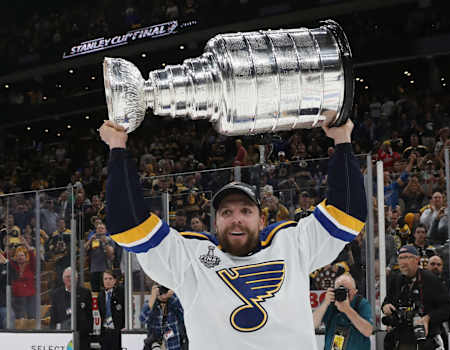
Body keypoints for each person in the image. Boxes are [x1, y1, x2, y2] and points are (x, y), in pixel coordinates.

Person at [99, 118, 366, 349]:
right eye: (226, 213)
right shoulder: (191, 255)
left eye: (245, 211)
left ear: (262, 219)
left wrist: (342, 140)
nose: (236, 220)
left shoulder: (291, 242)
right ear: (215, 223)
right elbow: (128, 226)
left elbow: (349, 213)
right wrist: (118, 148)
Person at [382, 245, 450, 350]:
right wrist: (386, 307)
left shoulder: (430, 279)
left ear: (417, 260)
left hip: (428, 338)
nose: (403, 262)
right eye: (401, 258)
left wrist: (428, 318)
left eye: (407, 257)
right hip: (401, 338)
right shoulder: (396, 279)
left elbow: (449, 306)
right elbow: (387, 302)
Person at [313, 274, 373, 350]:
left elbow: (368, 331)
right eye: (339, 290)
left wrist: (347, 310)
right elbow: (313, 325)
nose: (344, 294)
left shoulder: (361, 303)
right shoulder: (330, 303)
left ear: (355, 291)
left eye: (347, 290)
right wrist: (325, 303)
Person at [50, 267, 93, 350]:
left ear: (76, 278)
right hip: (62, 335)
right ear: (63, 279)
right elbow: (53, 314)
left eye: (72, 276)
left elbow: (89, 314)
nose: (70, 279)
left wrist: (88, 330)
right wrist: (53, 331)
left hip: (82, 335)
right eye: (67, 277)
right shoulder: (56, 294)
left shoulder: (85, 292)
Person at [140, 284, 187, 350]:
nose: (164, 292)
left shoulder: (173, 301)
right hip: (155, 345)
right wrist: (153, 296)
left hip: (173, 345)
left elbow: (185, 314)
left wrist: (174, 294)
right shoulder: (151, 303)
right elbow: (143, 319)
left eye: (165, 288)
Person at [97, 270, 125, 350]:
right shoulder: (100, 295)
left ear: (115, 280)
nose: (107, 281)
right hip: (105, 332)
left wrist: (124, 326)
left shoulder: (121, 292)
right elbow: (101, 314)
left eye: (110, 278)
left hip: (118, 333)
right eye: (105, 279)